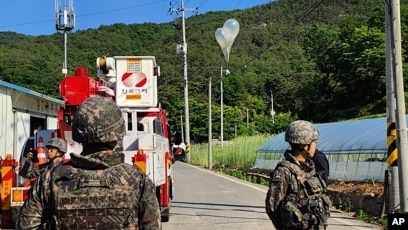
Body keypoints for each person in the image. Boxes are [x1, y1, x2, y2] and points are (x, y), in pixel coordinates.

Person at [16, 96, 161, 229]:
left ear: (77, 132)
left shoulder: (50, 178)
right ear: (118, 132)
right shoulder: (138, 180)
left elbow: (26, 226)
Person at [265, 120, 331, 230]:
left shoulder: (310, 167)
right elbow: (272, 206)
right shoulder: (284, 171)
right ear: (305, 145)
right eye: (314, 141)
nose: (316, 144)